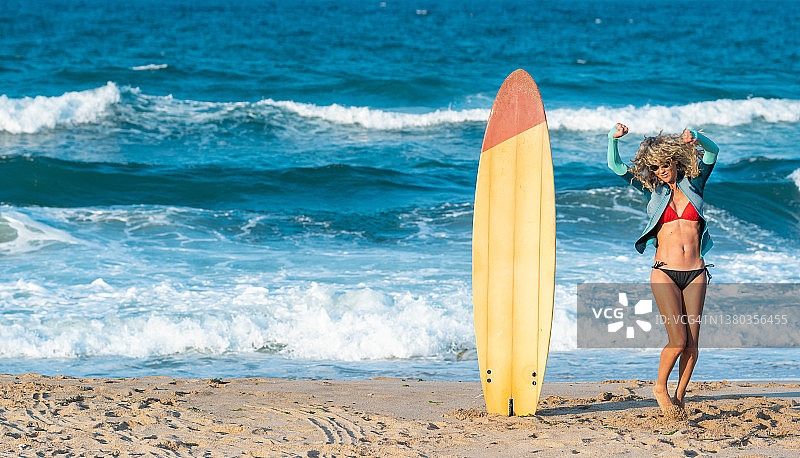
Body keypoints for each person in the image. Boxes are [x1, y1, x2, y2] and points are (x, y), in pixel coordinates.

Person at [607, 122, 719, 416]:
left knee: (693, 344)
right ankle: (660, 387)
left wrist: (698, 137)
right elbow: (616, 166)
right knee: (677, 340)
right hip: (665, 272)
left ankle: (679, 397)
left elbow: (712, 152)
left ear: (674, 160)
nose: (661, 171)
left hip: (695, 272)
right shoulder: (653, 193)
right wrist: (612, 139)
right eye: (655, 168)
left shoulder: (695, 185)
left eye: (664, 164)